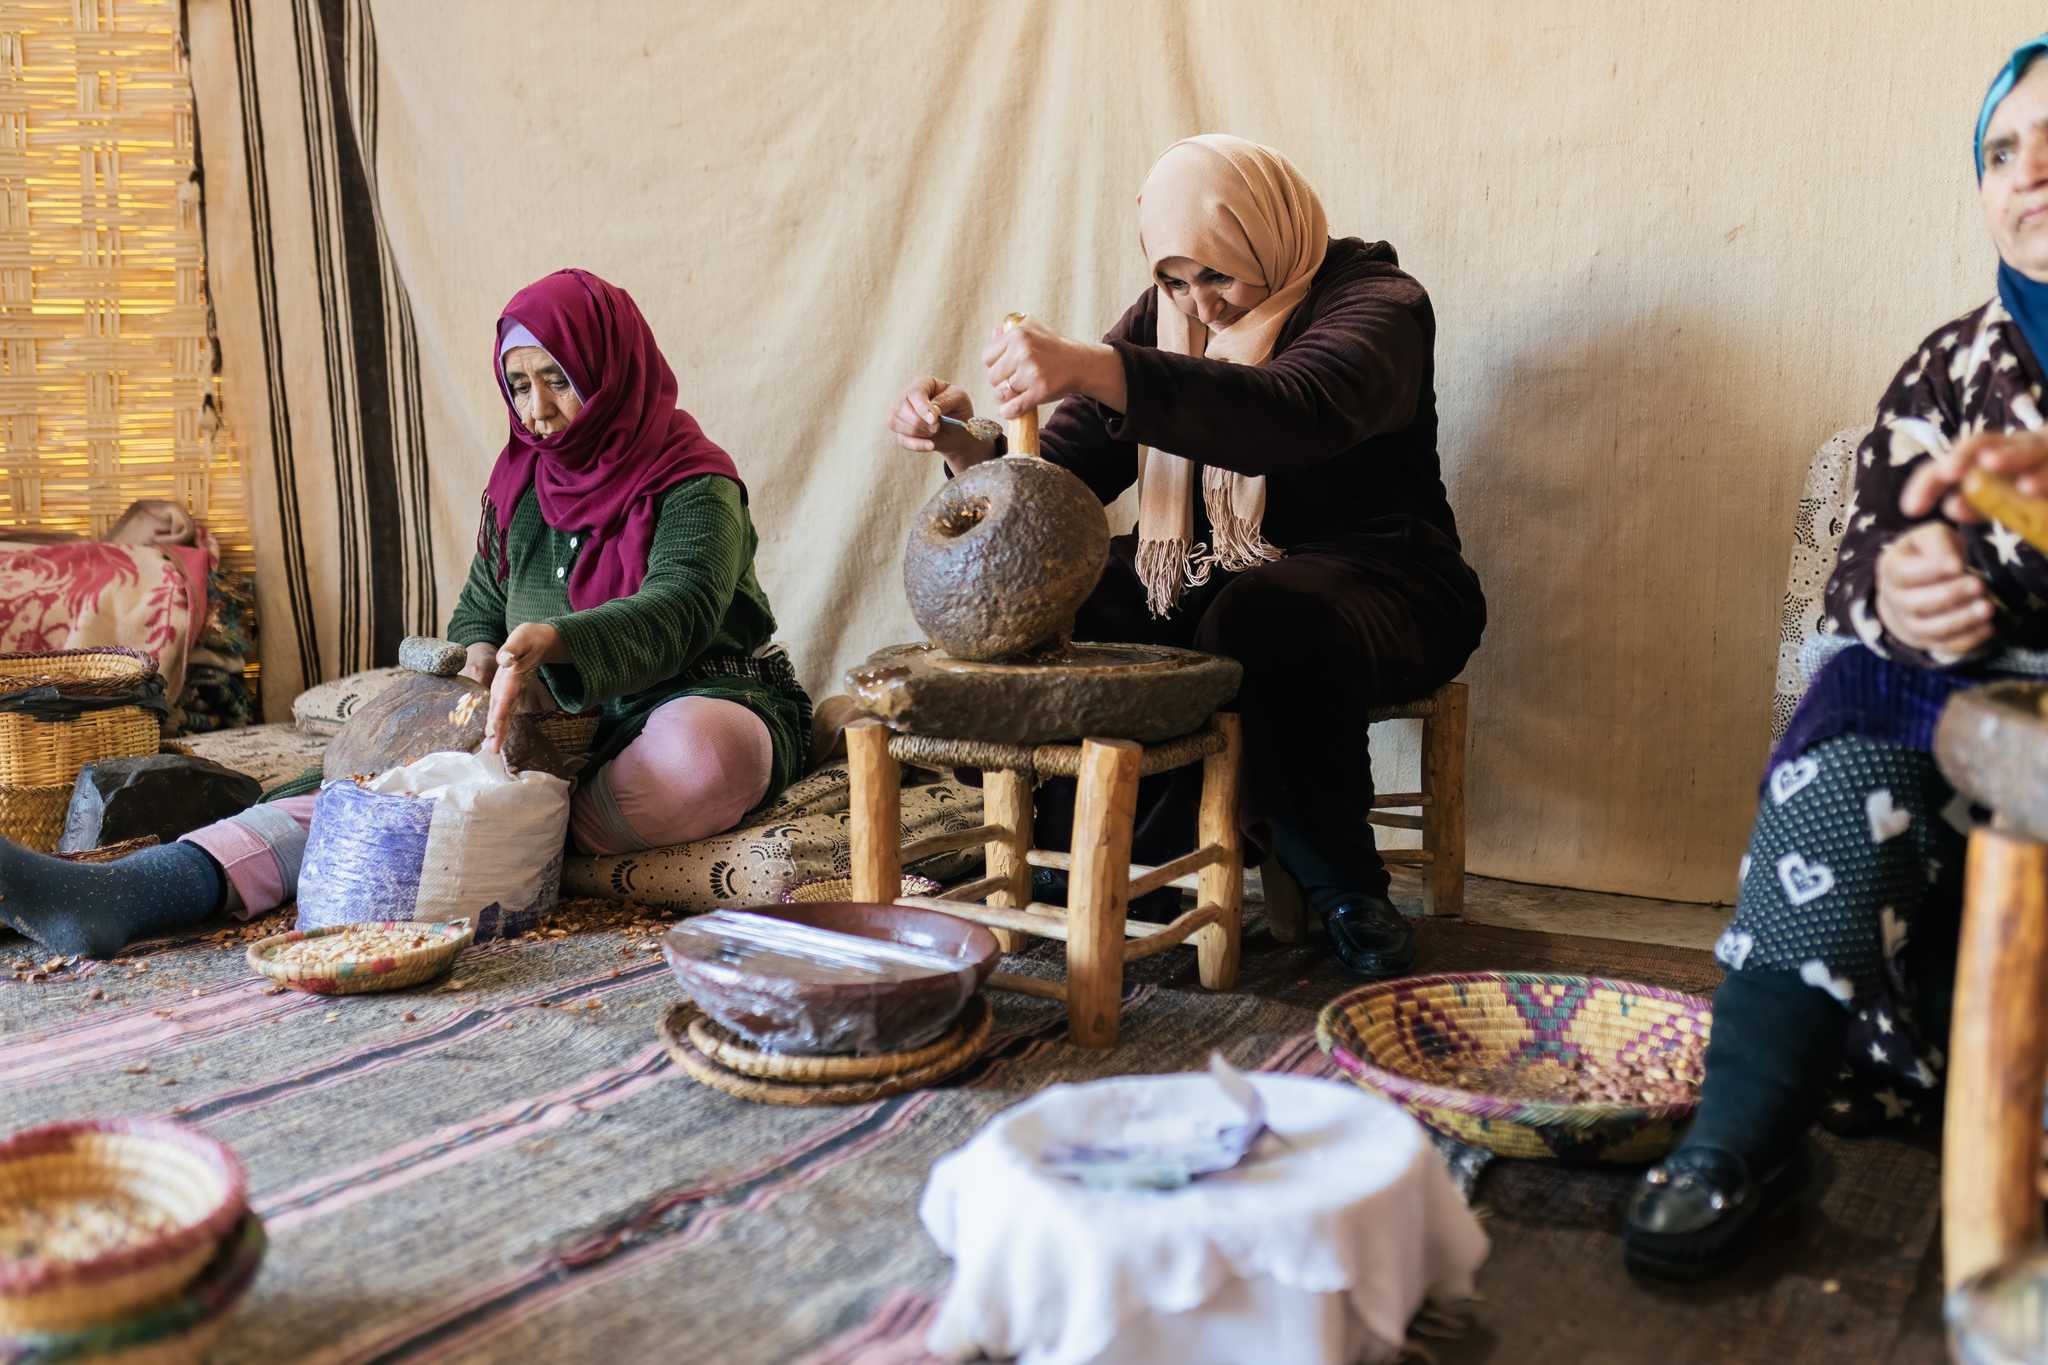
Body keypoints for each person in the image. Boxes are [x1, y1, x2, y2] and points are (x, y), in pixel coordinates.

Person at [0, 269, 810, 959]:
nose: (538, 409)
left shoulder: (695, 481)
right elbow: (479, 609)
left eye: (558, 378)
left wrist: (560, 640)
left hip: (693, 697)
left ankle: (517, 838)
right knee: (364, 789)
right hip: (546, 726)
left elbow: (685, 606)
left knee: (705, 757)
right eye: (519, 384)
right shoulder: (519, 485)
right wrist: (478, 653)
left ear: (612, 366)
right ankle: (125, 894)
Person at [1624, 35, 2048, 1280]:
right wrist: (1906, 596)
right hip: (1960, 699)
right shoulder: (1949, 364)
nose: (2029, 176)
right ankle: (1737, 1131)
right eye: (2001, 151)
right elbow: (1870, 549)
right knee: (1852, 724)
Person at [886, 134, 1485, 976]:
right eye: (1174, 280)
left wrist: (1103, 368)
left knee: (1265, 616)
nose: (1197, 305)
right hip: (1210, 583)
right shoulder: (1158, 323)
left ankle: (1346, 889)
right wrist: (955, 439)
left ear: (1269, 238)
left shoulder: (1378, 303)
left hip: (1384, 578)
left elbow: (1290, 410)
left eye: (1217, 277)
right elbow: (1055, 491)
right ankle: (1098, 864)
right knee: (1074, 593)